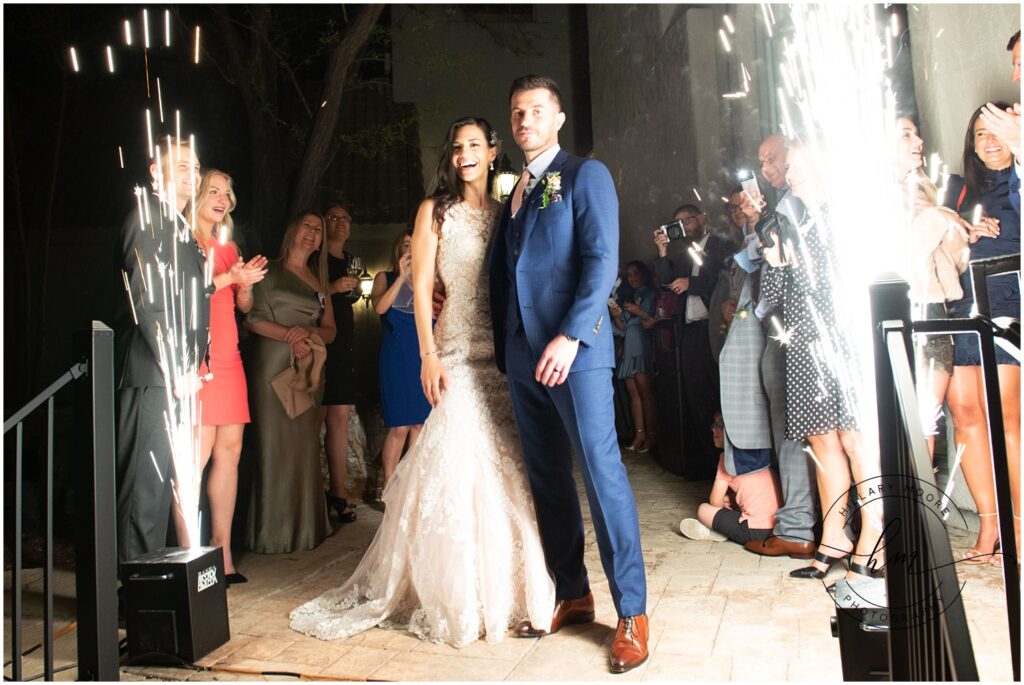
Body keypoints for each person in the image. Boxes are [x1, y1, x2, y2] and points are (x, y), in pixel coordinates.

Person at [290, 116, 554, 648]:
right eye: (457, 147)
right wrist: (428, 356)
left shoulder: (507, 214)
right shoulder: (434, 212)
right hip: (453, 351)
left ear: (493, 150)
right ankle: (458, 597)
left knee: (507, 473)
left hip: (500, 360)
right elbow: (422, 285)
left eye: (475, 145)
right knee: (458, 464)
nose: (465, 155)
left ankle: (514, 592)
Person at [488, 74, 649, 674]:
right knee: (548, 478)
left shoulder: (586, 175)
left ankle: (632, 610)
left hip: (575, 351)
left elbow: (601, 260)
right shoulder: (517, 190)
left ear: (557, 119)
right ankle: (573, 592)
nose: (524, 119)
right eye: (516, 112)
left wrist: (571, 334)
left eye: (535, 110)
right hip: (523, 355)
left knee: (602, 471)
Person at [759, 142, 884, 606]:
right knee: (821, 442)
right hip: (803, 344)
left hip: (845, 341)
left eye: (801, 165)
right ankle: (834, 537)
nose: (791, 174)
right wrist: (773, 261)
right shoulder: (793, 223)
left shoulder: (845, 215)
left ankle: (875, 534)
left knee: (855, 439)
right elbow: (770, 299)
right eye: (789, 167)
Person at [116, 138, 210, 565]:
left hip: (175, 376)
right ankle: (129, 592)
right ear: (156, 171)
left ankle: (149, 586)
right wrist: (176, 366)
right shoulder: (147, 217)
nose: (193, 173)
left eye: (196, 166)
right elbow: (149, 299)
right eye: (182, 165)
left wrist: (194, 364)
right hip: (153, 374)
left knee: (161, 487)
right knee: (142, 488)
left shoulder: (177, 225)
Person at [942, 103, 1021, 566]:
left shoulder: (1019, 183)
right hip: (958, 310)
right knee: (964, 413)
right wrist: (961, 232)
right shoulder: (958, 188)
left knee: (1007, 418)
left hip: (1007, 311)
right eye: (979, 134)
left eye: (996, 132)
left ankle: (1019, 529)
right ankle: (990, 525)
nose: (988, 141)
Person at [182, 170, 267, 583]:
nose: (221, 197)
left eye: (226, 192)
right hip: (199, 359)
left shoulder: (229, 247)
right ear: (196, 196)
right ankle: (187, 555)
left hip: (229, 357)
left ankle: (223, 554)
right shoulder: (183, 243)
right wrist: (231, 278)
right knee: (194, 458)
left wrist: (245, 285)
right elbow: (187, 292)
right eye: (212, 191)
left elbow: (244, 307)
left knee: (229, 452)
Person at [738, 134, 818, 562]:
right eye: (762, 162)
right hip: (778, 323)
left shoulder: (801, 202)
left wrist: (762, 223)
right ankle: (802, 521)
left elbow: (776, 256)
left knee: (796, 427)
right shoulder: (782, 204)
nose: (767, 168)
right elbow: (751, 258)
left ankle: (799, 525)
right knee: (794, 426)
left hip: (797, 324)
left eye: (773, 158)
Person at [244, 211, 337, 554]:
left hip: (308, 370)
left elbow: (332, 330)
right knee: (272, 447)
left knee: (303, 446)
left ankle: (304, 529)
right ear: (292, 230)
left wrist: (308, 334)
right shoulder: (268, 268)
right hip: (272, 364)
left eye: (318, 230)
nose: (313, 233)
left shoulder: (319, 282)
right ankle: (270, 533)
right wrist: (289, 336)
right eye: (307, 226)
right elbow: (253, 319)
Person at [892, 118, 969, 460]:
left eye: (917, 132)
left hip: (934, 313)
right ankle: (902, 508)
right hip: (895, 315)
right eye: (905, 134)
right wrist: (944, 218)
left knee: (925, 421)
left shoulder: (927, 193)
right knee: (894, 423)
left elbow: (953, 267)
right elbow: (900, 257)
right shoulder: (871, 195)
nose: (918, 140)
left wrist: (963, 234)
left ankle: (920, 511)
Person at [652, 203, 734, 478]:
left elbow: (725, 284)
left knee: (721, 396)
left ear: (701, 218)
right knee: (696, 400)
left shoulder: (721, 245)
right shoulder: (685, 253)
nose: (684, 227)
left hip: (715, 330)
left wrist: (692, 284)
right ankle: (711, 469)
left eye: (687, 220)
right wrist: (663, 250)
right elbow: (667, 282)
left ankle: (732, 469)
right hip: (690, 333)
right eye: (677, 223)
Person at [370, 230, 430, 488]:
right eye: (406, 244)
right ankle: (389, 486)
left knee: (419, 425)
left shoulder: (430, 280)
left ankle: (412, 485)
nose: (411, 248)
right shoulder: (385, 277)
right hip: (396, 358)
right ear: (398, 250)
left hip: (422, 357)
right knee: (399, 427)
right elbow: (379, 308)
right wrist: (403, 276)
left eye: (415, 244)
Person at [679, 412, 782, 545]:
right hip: (777, 528)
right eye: (714, 424)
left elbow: (715, 501)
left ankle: (715, 531)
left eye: (721, 424)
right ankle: (722, 530)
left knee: (703, 509)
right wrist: (732, 501)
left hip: (754, 531)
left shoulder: (728, 458)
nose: (714, 429)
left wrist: (722, 506)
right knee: (729, 501)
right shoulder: (757, 453)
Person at [320, 203, 360, 523]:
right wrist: (333, 288)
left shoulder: (349, 261)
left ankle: (338, 492)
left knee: (341, 418)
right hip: (320, 345)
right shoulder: (316, 259)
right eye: (334, 218)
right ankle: (308, 492)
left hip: (345, 344)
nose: (342, 223)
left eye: (346, 218)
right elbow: (308, 295)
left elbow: (351, 297)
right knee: (315, 420)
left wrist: (352, 290)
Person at [609, 260, 658, 453]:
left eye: (636, 273)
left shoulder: (651, 294)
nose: (633, 278)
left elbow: (651, 321)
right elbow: (622, 327)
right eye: (629, 275)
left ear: (644, 274)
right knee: (633, 393)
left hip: (642, 343)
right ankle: (640, 433)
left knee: (646, 393)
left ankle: (653, 435)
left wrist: (641, 312)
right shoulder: (629, 295)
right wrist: (616, 316)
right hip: (629, 342)